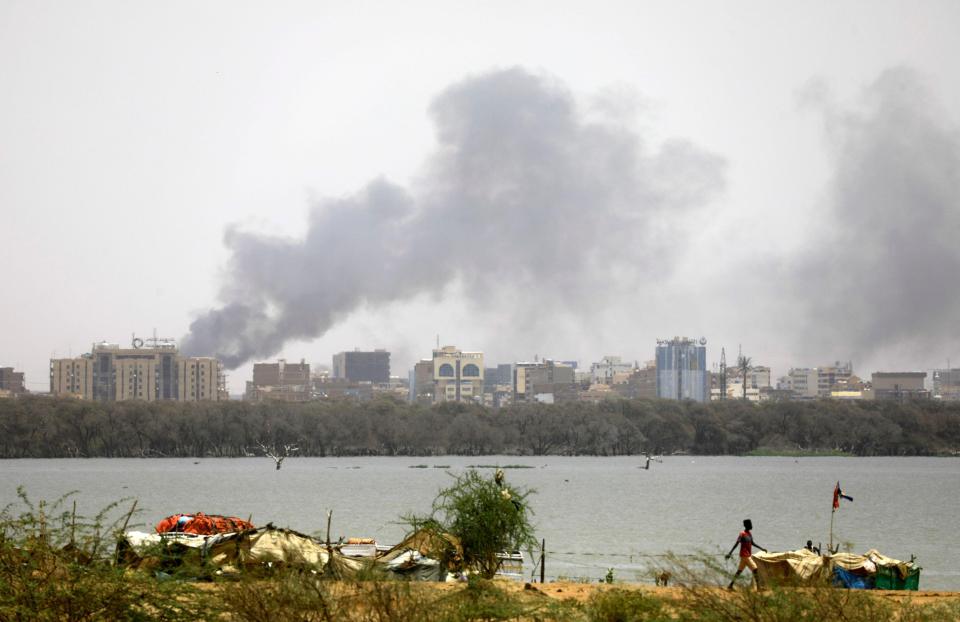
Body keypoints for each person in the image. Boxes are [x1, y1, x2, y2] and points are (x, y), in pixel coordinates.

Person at [725, 518, 767, 589]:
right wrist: (730, 553)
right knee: (755, 569)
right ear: (746, 525)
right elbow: (736, 544)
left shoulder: (749, 534)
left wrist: (761, 548)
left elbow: (752, 543)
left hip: (746, 555)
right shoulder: (742, 534)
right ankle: (759, 587)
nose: (751, 525)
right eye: (750, 524)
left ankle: (730, 585)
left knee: (739, 571)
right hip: (745, 555)